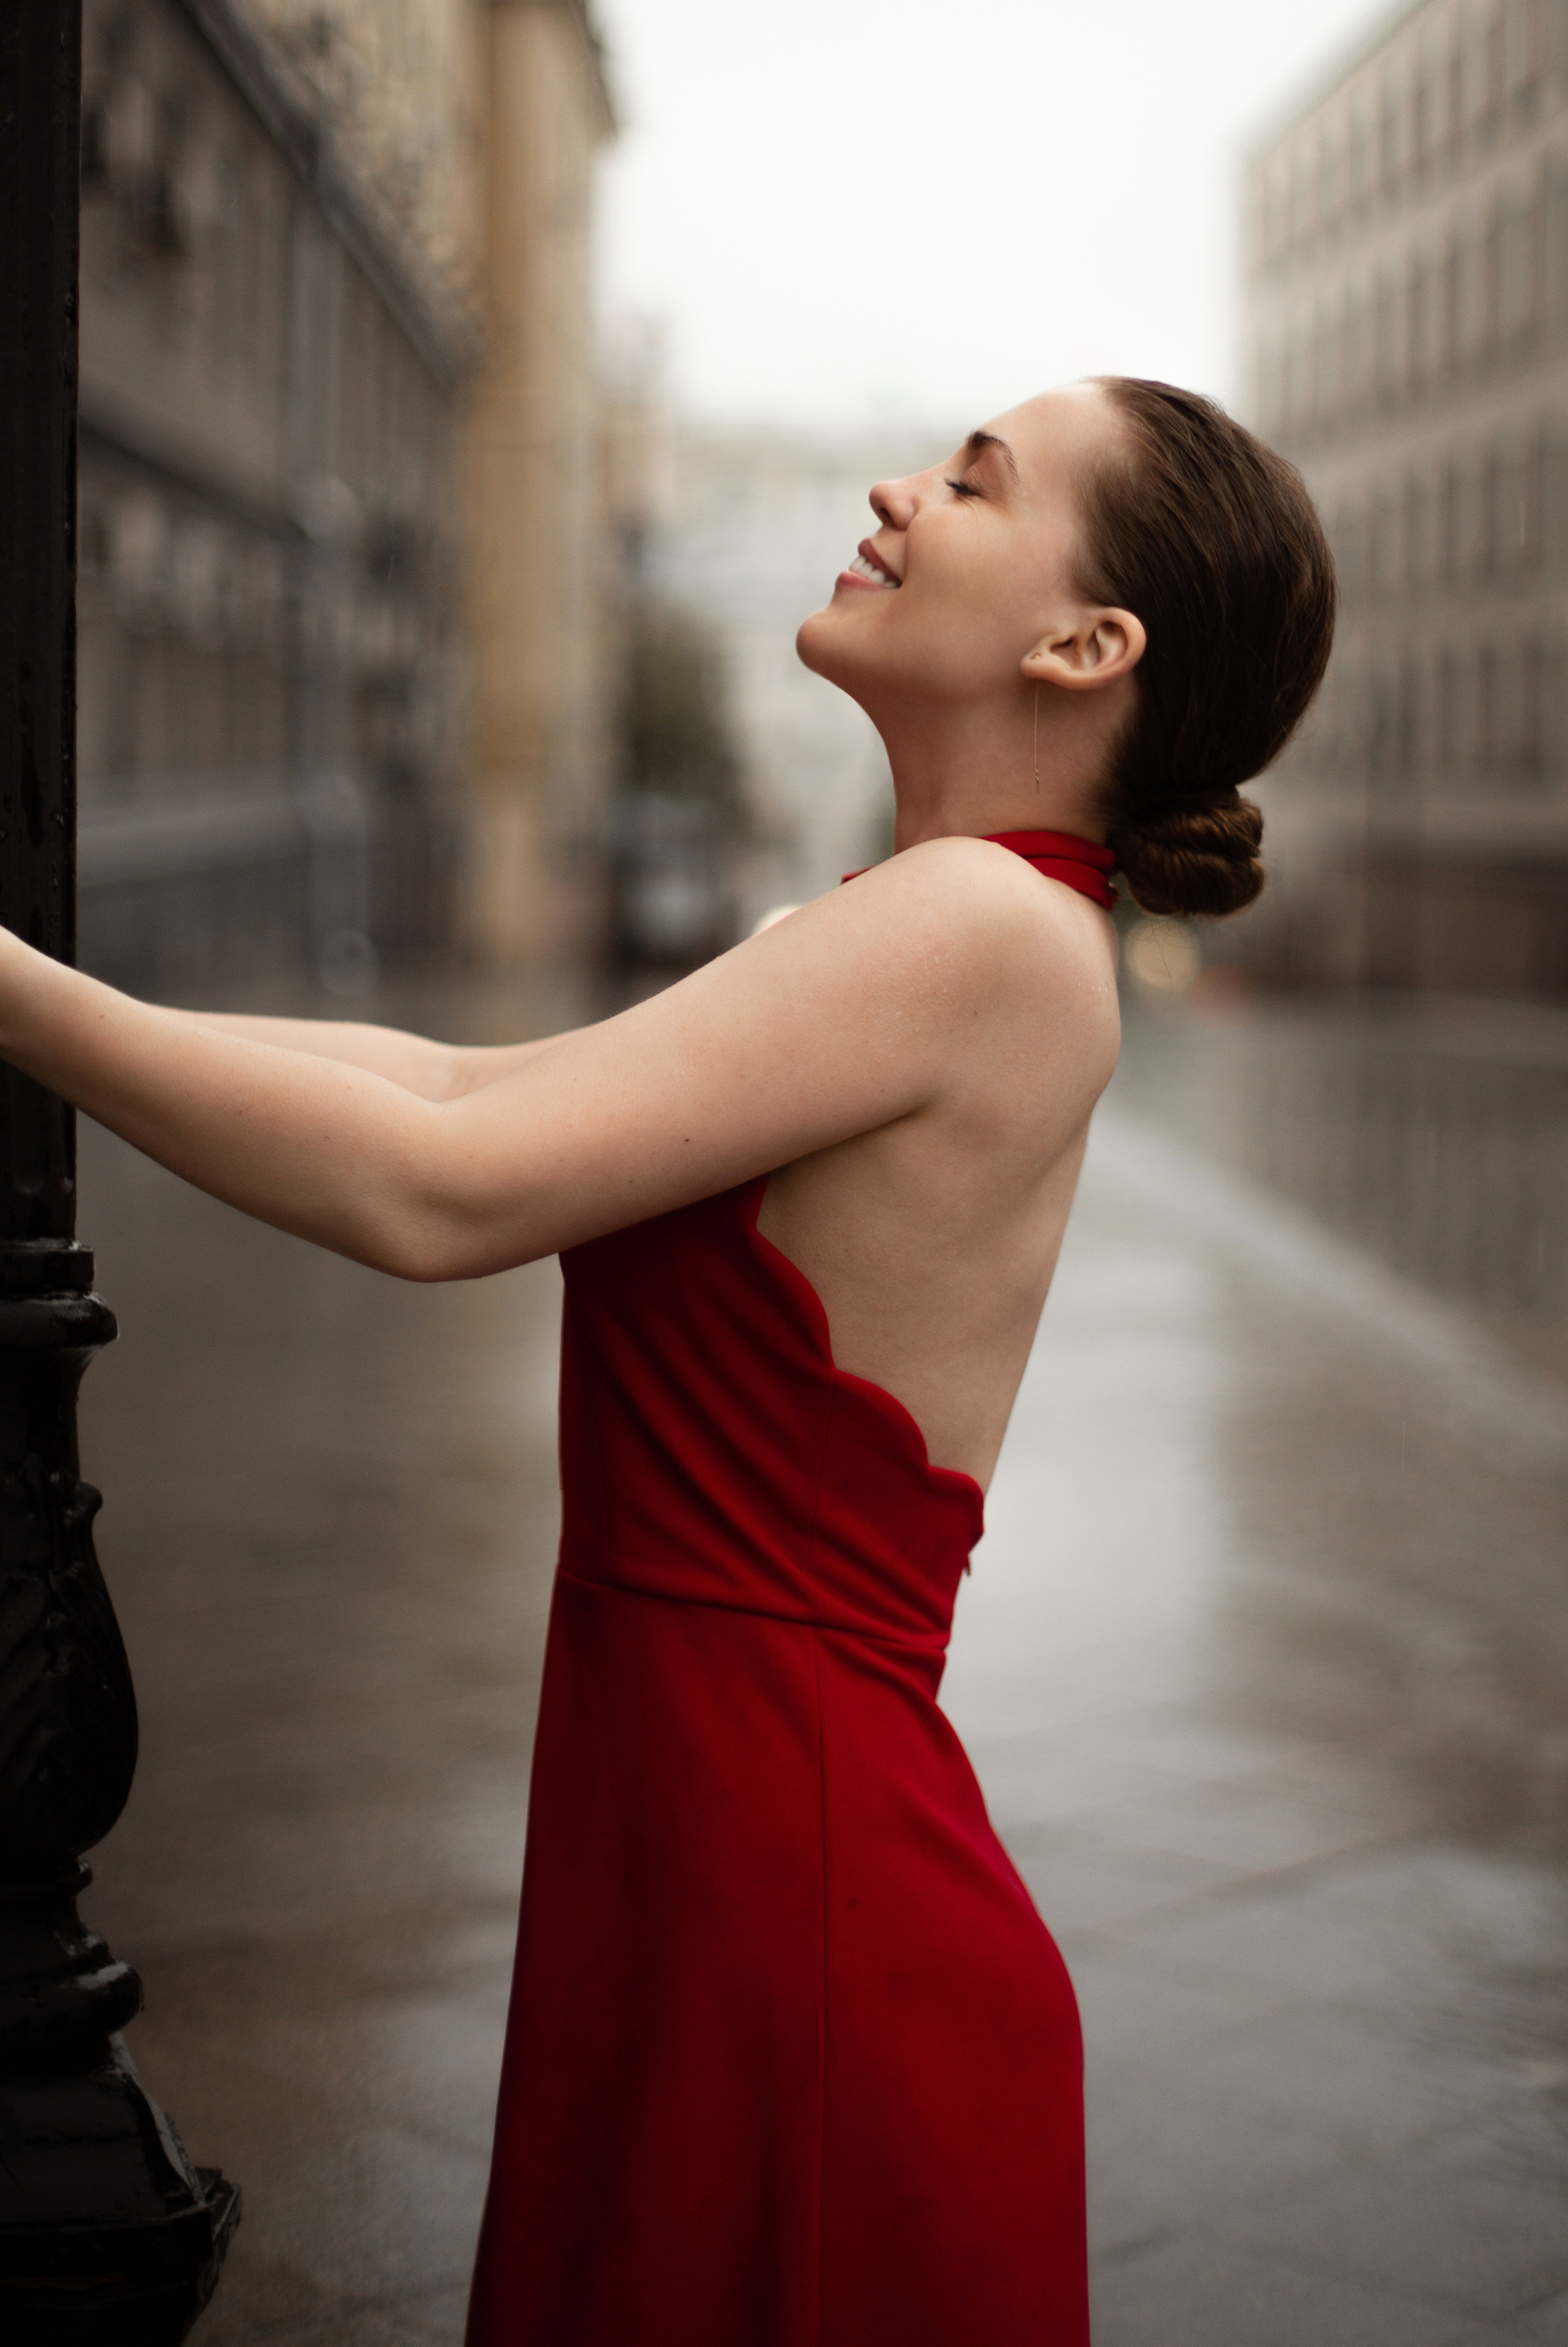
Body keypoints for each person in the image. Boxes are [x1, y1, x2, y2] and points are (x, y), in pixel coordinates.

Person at [0, 375, 1334, 2344]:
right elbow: (465, 1083)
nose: (896, 487)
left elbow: (444, 1191)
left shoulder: (980, 924)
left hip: (784, 1905)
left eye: (973, 481)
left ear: (1084, 644)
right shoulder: (941, 918)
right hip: (718, 1861)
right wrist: (60, 1002)